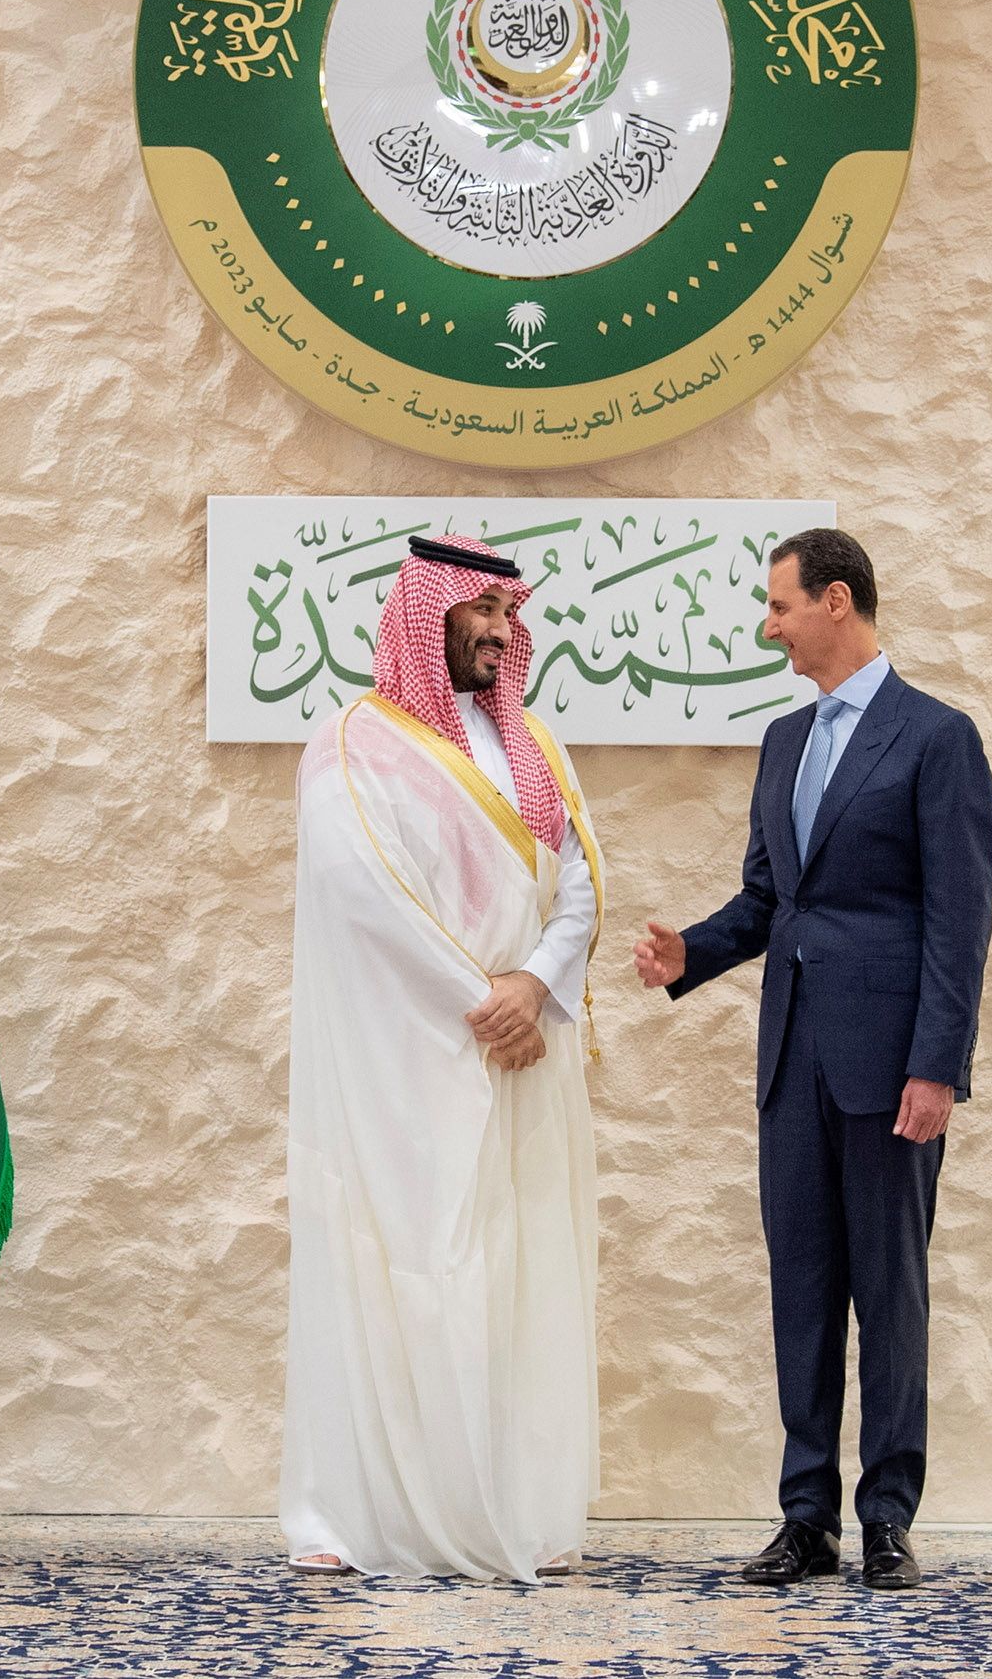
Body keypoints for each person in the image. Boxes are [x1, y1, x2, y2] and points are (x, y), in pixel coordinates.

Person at [633, 527, 992, 1591]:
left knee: (890, 1294)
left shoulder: (937, 739)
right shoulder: (784, 743)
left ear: (836, 602)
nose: (768, 624)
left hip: (890, 1072)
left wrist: (937, 1066)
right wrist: (689, 952)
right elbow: (770, 901)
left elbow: (957, 922)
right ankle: (806, 1518)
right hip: (791, 1064)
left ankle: (886, 1515)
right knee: (802, 1292)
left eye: (780, 605)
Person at [281, 533, 607, 1582]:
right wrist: (484, 998)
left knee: (518, 1277)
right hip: (407, 1062)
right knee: (398, 1268)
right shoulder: (352, 744)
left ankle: (513, 1512)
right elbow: (359, 892)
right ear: (428, 620)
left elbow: (580, 883)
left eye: (507, 618)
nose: (498, 634)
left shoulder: (535, 747)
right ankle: (352, 1516)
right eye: (479, 617)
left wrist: (534, 985)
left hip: (519, 1059)